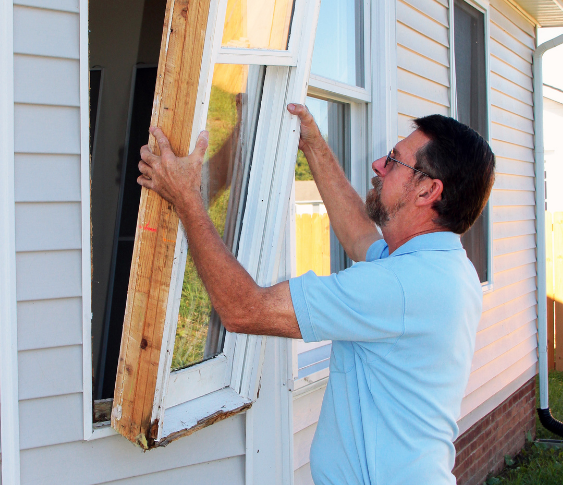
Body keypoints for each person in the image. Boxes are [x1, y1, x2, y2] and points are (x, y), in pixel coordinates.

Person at [137, 104, 495, 485]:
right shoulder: (442, 267)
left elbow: (244, 310)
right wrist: (313, 143)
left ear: (427, 190)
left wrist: (188, 198)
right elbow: (361, 238)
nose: (378, 164)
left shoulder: (401, 285)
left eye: (394, 160)